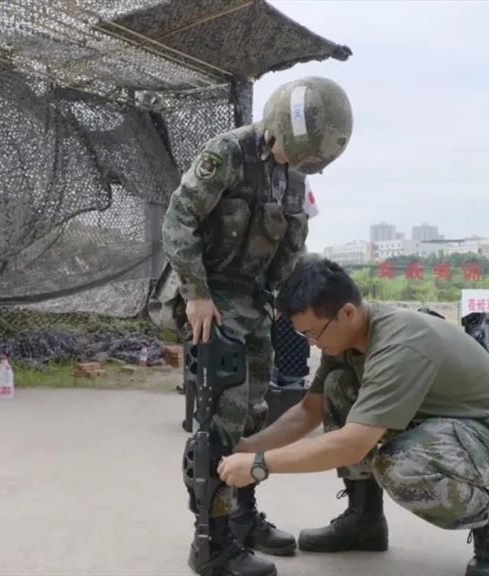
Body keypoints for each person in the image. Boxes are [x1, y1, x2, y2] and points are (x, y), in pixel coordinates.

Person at [147, 77, 354, 576]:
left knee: (256, 414)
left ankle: (241, 516)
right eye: (294, 152)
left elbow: (291, 245)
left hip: (253, 303)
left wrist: (287, 301)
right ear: (277, 128)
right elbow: (179, 221)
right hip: (209, 298)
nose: (297, 164)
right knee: (220, 418)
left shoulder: (295, 177)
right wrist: (196, 294)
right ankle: (211, 543)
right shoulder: (229, 153)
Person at [217, 257, 489, 576]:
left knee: (400, 466)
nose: (313, 344)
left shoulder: (399, 343)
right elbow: (308, 412)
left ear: (347, 313)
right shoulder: (346, 338)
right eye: (305, 337)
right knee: (337, 386)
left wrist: (260, 465)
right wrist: (245, 447)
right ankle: (363, 520)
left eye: (314, 333)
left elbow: (352, 445)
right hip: (439, 422)